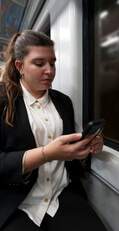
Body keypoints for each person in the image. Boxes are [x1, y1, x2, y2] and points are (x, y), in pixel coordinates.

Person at [0, 30, 106, 231]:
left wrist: (86, 147)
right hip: (18, 200)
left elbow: (72, 157)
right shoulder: (3, 102)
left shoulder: (63, 102)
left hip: (60, 193)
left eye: (52, 63)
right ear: (20, 66)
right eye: (39, 64)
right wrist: (46, 154)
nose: (49, 70)